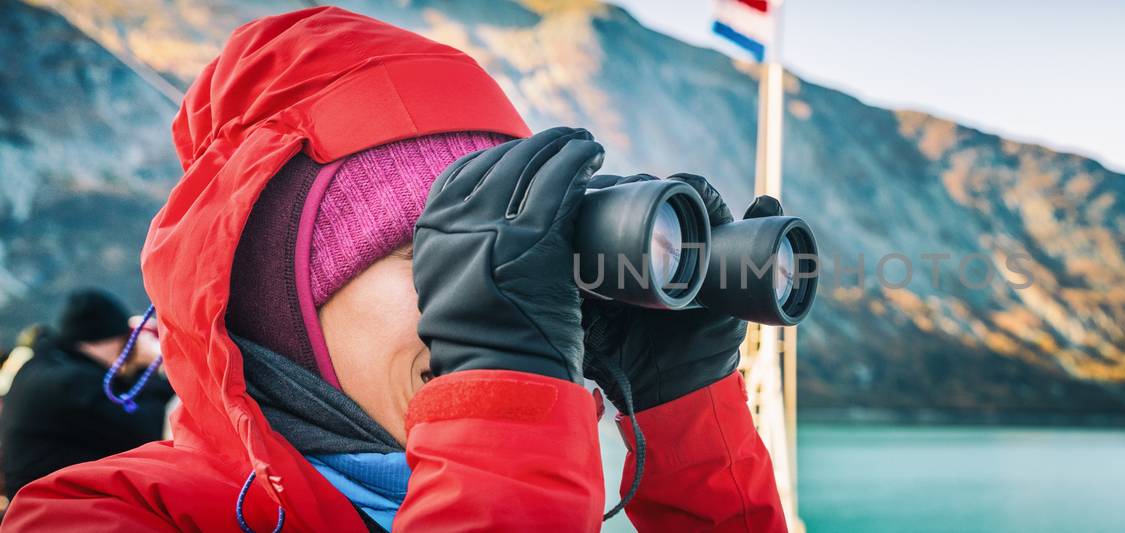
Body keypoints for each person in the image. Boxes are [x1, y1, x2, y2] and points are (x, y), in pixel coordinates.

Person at [2, 7, 785, 532]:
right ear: (283, 308)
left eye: (517, 257)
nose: (482, 295)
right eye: (433, 253)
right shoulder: (91, 514)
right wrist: (504, 418)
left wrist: (687, 430)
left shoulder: (553, 487)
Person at [0, 289, 171, 500]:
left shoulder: (44, 367)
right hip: (60, 513)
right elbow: (147, 429)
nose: (128, 348)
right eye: (124, 340)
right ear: (100, 340)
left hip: (41, 506)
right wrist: (154, 367)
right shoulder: (70, 383)